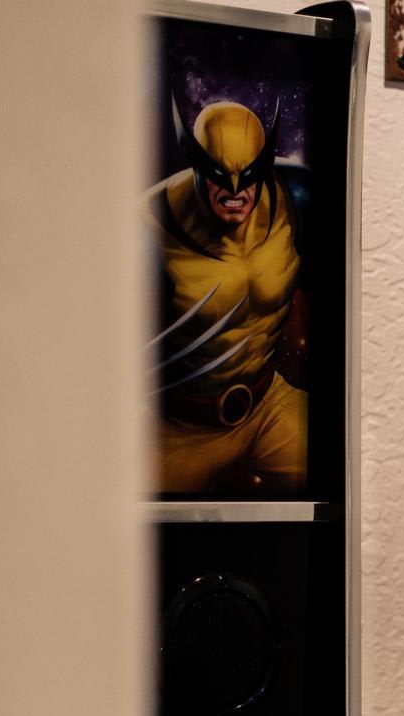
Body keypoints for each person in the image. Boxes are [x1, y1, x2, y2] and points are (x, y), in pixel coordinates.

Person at [149, 99, 310, 494]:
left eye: (251, 174)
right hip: (179, 429)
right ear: (194, 162)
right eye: (219, 175)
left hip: (267, 405)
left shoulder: (296, 198)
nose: (236, 191)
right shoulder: (147, 229)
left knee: (345, 469)